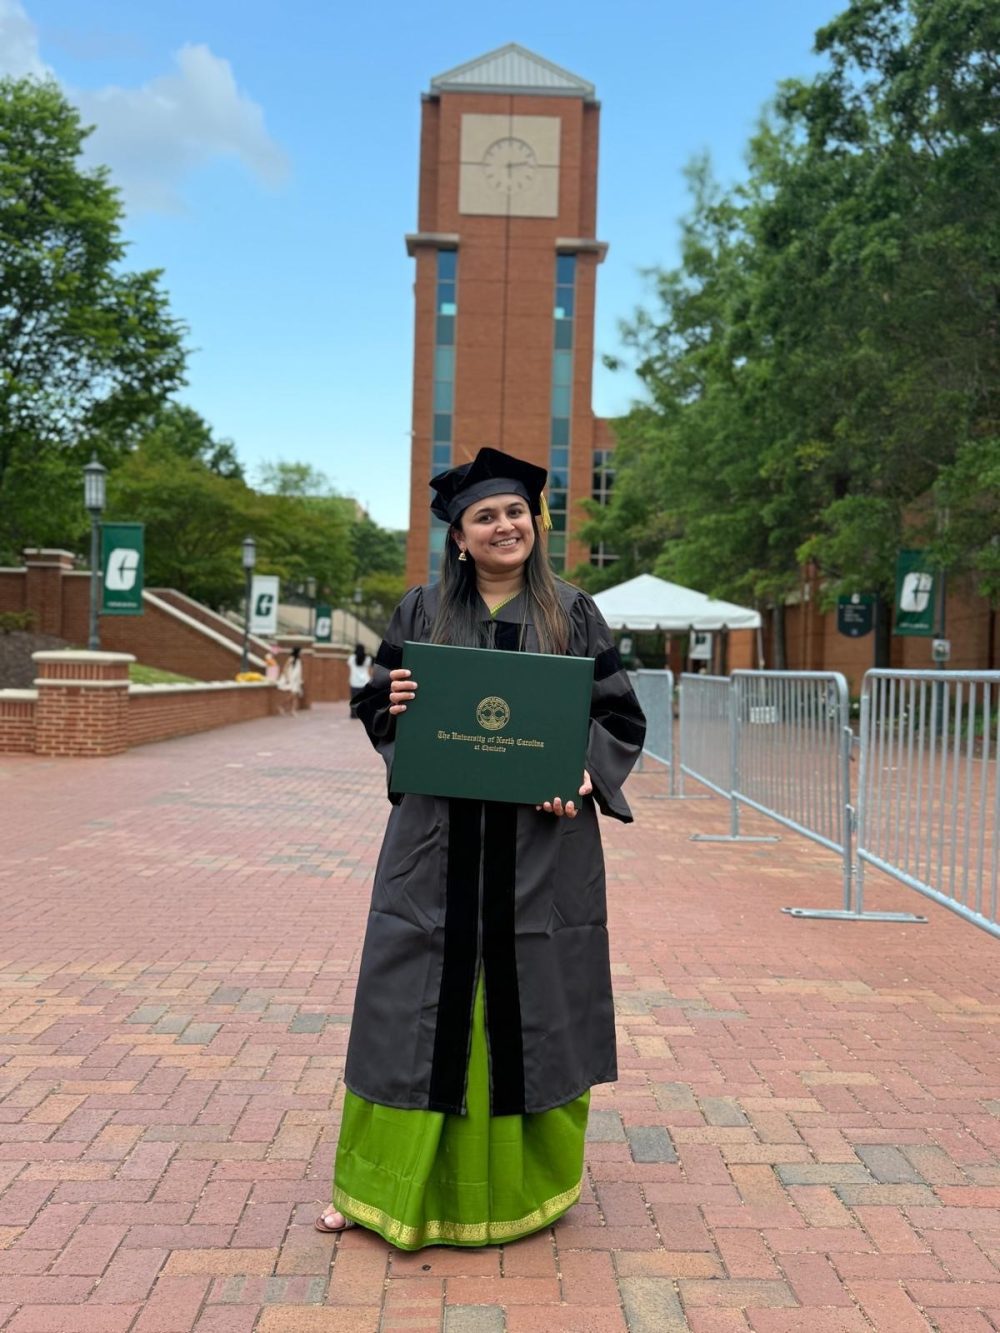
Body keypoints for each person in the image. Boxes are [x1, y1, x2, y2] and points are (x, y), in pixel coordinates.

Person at [316, 446, 645, 1249]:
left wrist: (584, 770)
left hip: (541, 846)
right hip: (437, 846)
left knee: (535, 997)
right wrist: (385, 700)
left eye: (516, 512)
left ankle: (527, 1188)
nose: (505, 525)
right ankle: (376, 1191)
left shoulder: (574, 612)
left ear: (536, 521)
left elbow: (620, 719)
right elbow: (378, 704)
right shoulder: (420, 612)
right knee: (409, 1003)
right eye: (485, 517)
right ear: (459, 537)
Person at [275, 645, 303, 715]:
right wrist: (287, 678)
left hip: (296, 681)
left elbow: (298, 671)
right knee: (292, 695)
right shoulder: (291, 659)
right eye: (300, 652)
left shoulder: (299, 660)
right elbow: (285, 668)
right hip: (290, 679)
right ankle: (281, 705)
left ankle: (292, 710)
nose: (301, 653)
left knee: (294, 696)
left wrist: (300, 680)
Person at [347, 642, 373, 718]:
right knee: (363, 700)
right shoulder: (367, 659)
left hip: (354, 682)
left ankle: (353, 714)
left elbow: (349, 667)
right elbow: (370, 670)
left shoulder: (351, 658)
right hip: (365, 682)